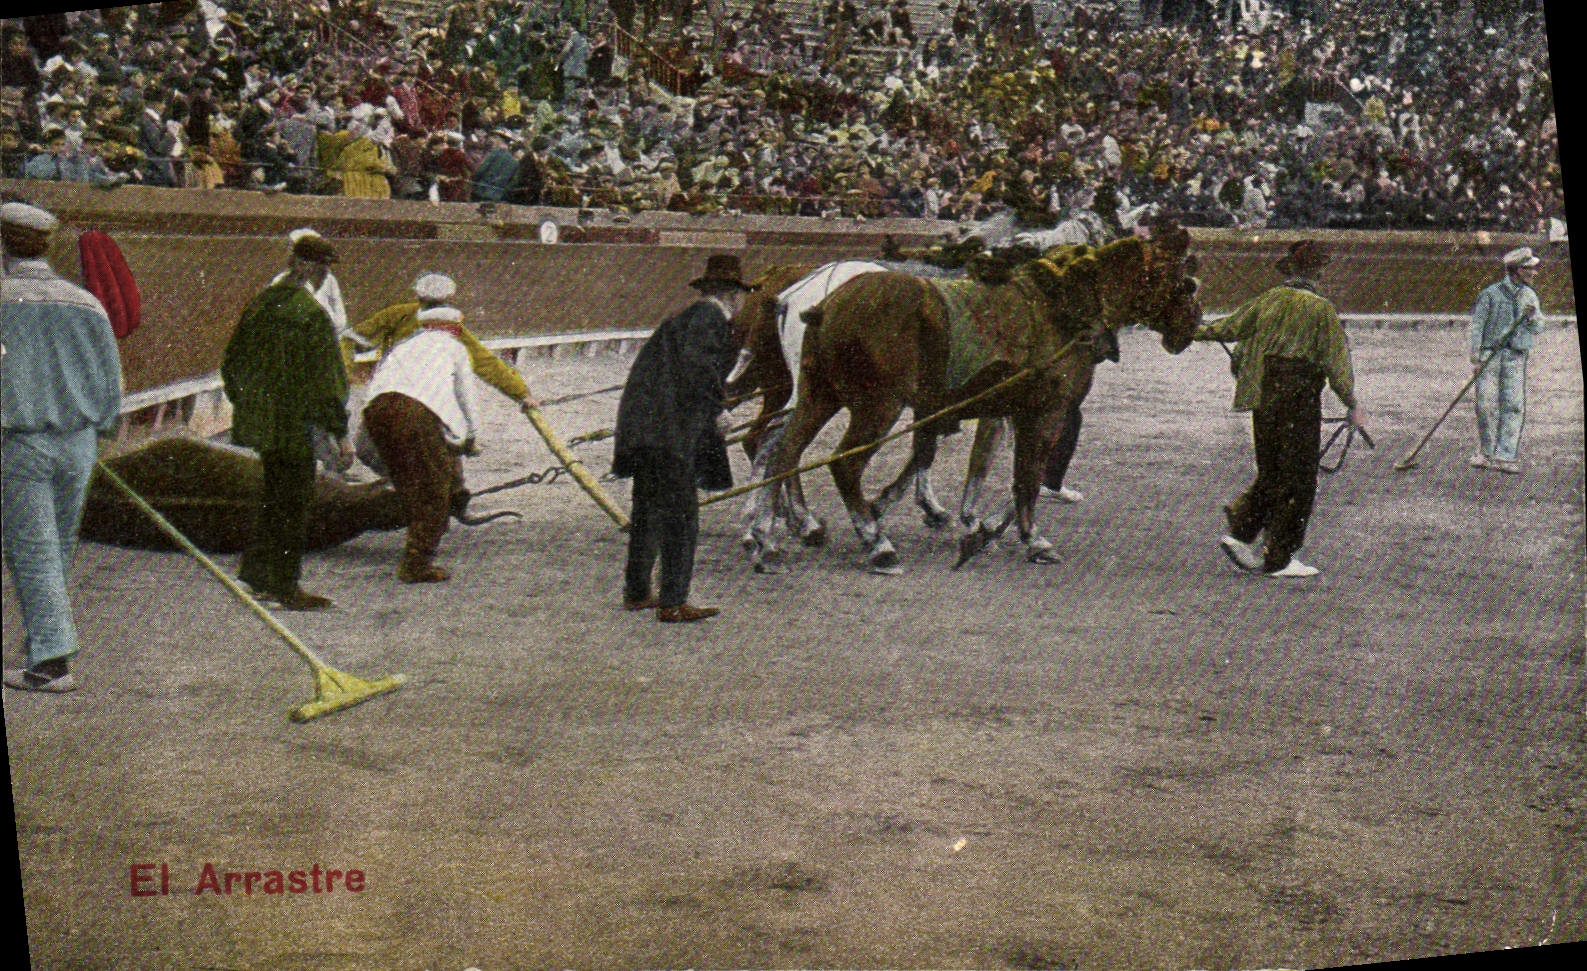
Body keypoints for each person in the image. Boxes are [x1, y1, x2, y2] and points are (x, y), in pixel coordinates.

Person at [2, 201, 122, 692]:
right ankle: (44, 645)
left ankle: (51, 663)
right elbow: (111, 381)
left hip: (21, 443)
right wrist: (100, 430)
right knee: (57, 547)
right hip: (79, 443)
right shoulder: (85, 302)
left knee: (33, 552)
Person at [1195, 240, 1366, 579]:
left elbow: (1224, 329)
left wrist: (1188, 327)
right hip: (1299, 396)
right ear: (1316, 272)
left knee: (1272, 470)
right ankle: (1280, 558)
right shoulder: (1321, 309)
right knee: (1300, 478)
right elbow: (1337, 364)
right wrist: (1353, 404)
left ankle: (1241, 534)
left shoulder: (1268, 300)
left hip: (1264, 393)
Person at [612, 254, 747, 622]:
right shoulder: (710, 317)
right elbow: (697, 365)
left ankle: (638, 592)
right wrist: (718, 409)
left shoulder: (684, 318)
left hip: (646, 430)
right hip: (671, 435)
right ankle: (673, 601)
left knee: (648, 512)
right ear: (733, 294)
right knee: (681, 516)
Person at [221, 233, 350, 610]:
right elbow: (327, 382)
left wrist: (250, 406)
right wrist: (340, 434)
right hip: (296, 425)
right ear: (313, 268)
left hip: (262, 422)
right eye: (325, 267)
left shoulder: (259, 305)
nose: (326, 274)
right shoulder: (312, 314)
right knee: (294, 503)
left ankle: (259, 577)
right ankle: (285, 586)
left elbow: (231, 365)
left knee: (274, 497)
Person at [360, 273, 480, 583]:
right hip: (415, 413)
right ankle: (416, 563)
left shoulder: (404, 346)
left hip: (375, 412)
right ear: (453, 327)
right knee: (433, 488)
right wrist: (471, 437)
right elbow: (466, 397)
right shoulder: (455, 348)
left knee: (407, 480)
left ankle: (413, 528)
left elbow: (376, 383)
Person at [1468, 246, 1545, 474]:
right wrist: (1476, 358)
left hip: (1515, 355)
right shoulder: (1490, 294)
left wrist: (1531, 318)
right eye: (1529, 268)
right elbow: (1477, 327)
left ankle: (1506, 455)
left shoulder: (1530, 296)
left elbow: (1539, 327)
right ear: (1515, 270)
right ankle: (1486, 452)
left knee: (1513, 405)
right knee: (1485, 405)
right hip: (1489, 355)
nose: (1534, 272)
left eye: (1533, 268)